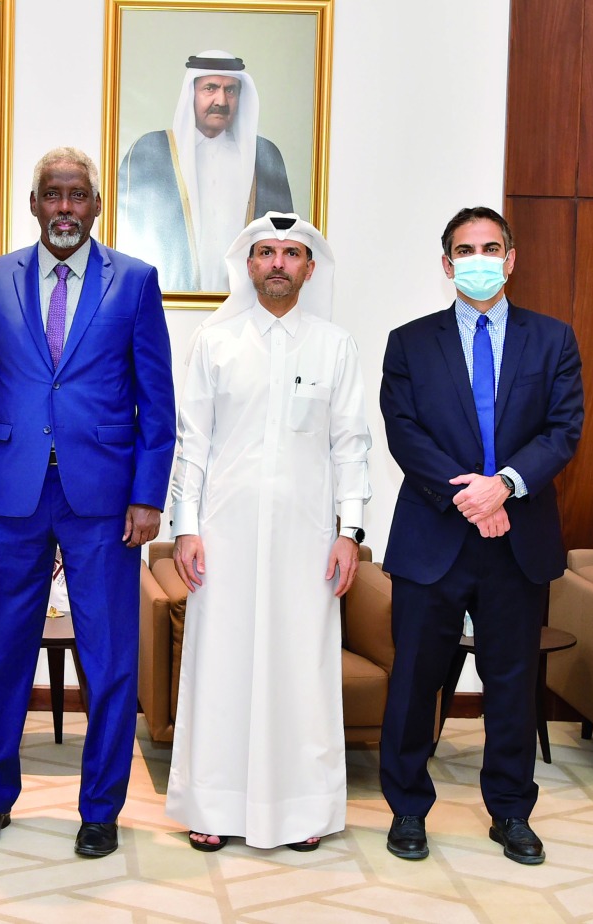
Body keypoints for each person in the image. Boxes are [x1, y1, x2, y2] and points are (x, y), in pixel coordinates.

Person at [0, 146, 175, 859]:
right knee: (2, 653)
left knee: (108, 658)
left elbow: (155, 401)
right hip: (12, 495)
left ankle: (100, 809)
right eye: (54, 194)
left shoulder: (135, 282)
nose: (66, 207)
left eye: (79, 195)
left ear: (97, 206)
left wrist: (147, 494)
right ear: (34, 203)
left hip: (103, 500)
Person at [379, 206, 584, 866]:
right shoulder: (409, 342)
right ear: (446, 265)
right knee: (414, 681)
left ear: (512, 257)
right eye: (465, 249)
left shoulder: (553, 340)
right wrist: (472, 493)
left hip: (517, 542)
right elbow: (405, 432)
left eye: (491, 246)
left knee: (512, 684)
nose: (479, 258)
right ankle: (408, 807)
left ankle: (511, 811)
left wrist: (508, 485)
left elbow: (562, 430)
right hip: (431, 538)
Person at [167, 212, 371, 853]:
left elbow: (352, 446)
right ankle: (213, 805)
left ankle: (301, 811)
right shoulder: (214, 343)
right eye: (266, 252)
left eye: (291, 253)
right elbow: (190, 445)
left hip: (307, 541)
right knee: (219, 668)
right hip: (222, 539)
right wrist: (186, 529)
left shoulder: (335, 345)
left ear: (310, 268)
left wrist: (351, 531)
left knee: (300, 671)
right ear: (247, 265)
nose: (278, 262)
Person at [117, 51, 293, 292]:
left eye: (230, 90)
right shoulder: (150, 151)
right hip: (171, 304)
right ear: (191, 94)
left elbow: (286, 241)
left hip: (246, 308)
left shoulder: (264, 156)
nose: (221, 100)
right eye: (210, 88)